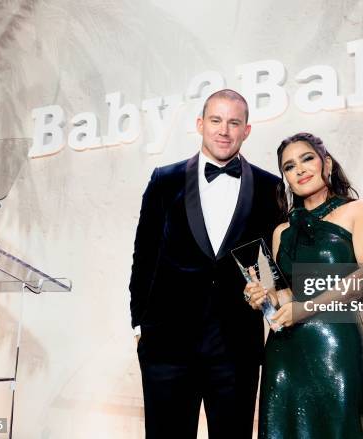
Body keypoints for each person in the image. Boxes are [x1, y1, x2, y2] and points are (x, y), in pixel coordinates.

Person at [129, 89, 281, 438]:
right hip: (166, 344)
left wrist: (273, 306)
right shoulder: (164, 180)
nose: (224, 130)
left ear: (247, 130)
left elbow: (274, 263)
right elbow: (144, 255)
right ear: (200, 124)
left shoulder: (270, 187)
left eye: (233, 122)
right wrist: (140, 325)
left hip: (235, 347)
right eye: (216, 120)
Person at [245, 132, 363, 438]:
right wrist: (264, 296)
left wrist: (304, 309)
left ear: (327, 163)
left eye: (307, 158)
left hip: (335, 346)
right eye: (289, 166)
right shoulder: (282, 230)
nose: (300, 169)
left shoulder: (359, 211)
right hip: (284, 350)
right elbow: (289, 293)